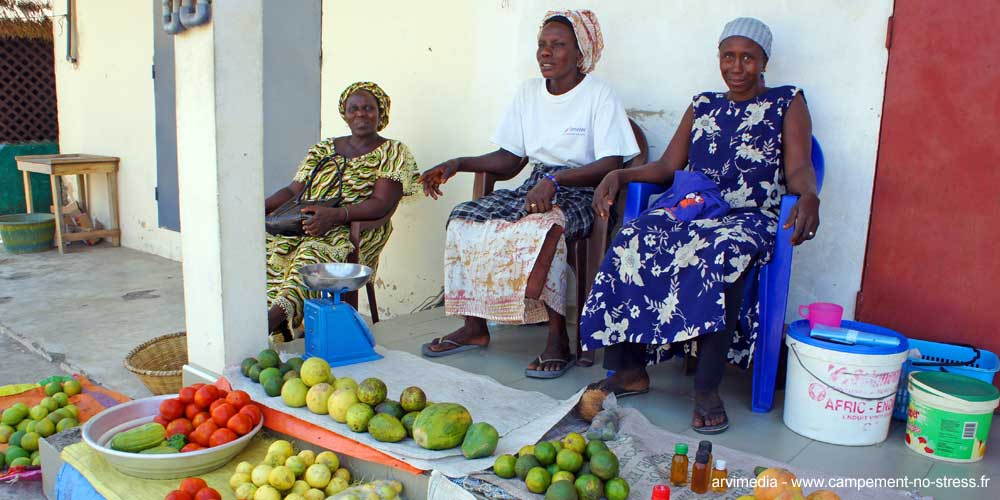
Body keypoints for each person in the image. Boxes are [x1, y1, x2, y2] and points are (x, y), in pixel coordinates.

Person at [579, 18, 821, 433]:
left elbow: (799, 167)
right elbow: (668, 166)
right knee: (633, 238)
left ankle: (708, 387)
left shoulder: (787, 101)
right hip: (695, 209)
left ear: (764, 60)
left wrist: (810, 195)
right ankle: (629, 368)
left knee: (718, 253)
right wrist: (620, 175)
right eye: (729, 56)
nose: (737, 66)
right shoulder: (703, 103)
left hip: (748, 217)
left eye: (748, 57)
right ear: (719, 58)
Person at [418, 9, 639, 378]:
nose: (546, 53)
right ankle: (475, 327)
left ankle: (558, 338)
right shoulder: (528, 93)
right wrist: (459, 162)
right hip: (534, 183)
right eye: (542, 45)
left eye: (558, 45)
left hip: (583, 190)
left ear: (580, 52)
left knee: (544, 228)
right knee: (463, 217)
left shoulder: (598, 94)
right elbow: (509, 159)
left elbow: (611, 162)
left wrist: (556, 182)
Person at [265, 82, 419, 339]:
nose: (361, 114)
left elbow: (383, 203)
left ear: (381, 113)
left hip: (355, 229)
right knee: (261, 243)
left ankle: (269, 322)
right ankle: (277, 321)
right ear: (344, 114)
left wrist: (336, 216)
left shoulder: (394, 151)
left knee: (311, 254)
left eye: (369, 108)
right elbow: (294, 192)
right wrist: (257, 208)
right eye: (354, 108)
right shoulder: (323, 149)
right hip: (305, 223)